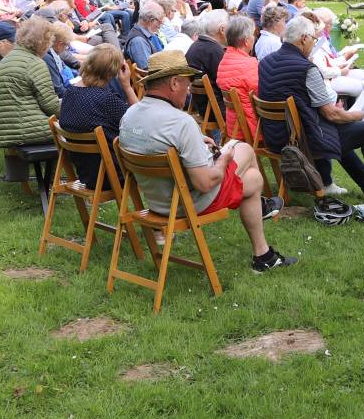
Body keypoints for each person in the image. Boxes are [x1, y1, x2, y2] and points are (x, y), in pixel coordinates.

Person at [118, 50, 290, 273]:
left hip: (156, 201)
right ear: (173, 83)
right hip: (188, 203)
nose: (188, 90)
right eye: (187, 84)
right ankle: (263, 232)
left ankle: (264, 252)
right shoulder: (180, 122)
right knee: (244, 148)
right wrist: (225, 158)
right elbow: (205, 184)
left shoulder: (130, 115)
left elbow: (158, 138)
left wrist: (196, 141)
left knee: (254, 180)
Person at [258, 15, 364, 204]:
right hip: (299, 142)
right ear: (304, 38)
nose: (314, 42)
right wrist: (355, 115)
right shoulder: (306, 69)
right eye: (313, 39)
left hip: (274, 136)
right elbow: (331, 114)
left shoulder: (266, 62)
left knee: (340, 134)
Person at [56, 44, 137, 189]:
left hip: (86, 174)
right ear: (111, 73)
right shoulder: (105, 99)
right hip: (113, 175)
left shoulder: (69, 93)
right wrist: (127, 86)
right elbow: (141, 120)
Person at [0, 15, 62, 150]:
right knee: (80, 128)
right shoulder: (35, 63)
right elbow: (50, 105)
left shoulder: (5, 60)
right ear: (44, 42)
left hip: (7, 130)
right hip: (32, 130)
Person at [217, 15, 262, 141]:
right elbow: (262, 94)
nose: (255, 38)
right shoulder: (249, 64)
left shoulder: (224, 60)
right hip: (251, 127)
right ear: (247, 41)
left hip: (234, 125)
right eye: (254, 35)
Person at [124, 1, 166, 65]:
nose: (159, 27)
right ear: (151, 20)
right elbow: (147, 70)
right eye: (159, 22)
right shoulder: (138, 41)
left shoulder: (145, 33)